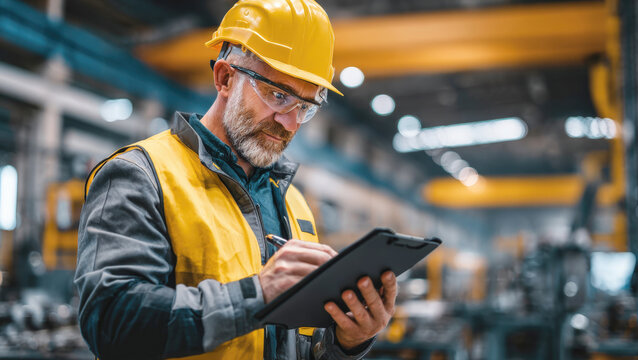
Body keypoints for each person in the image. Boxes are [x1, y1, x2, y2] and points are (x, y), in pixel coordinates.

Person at [74, 0, 398, 359]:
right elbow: (110, 322)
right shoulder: (141, 175)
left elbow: (295, 347)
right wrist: (256, 295)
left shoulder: (293, 203)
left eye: (305, 107)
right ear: (225, 78)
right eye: (279, 96)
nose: (290, 124)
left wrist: (346, 342)